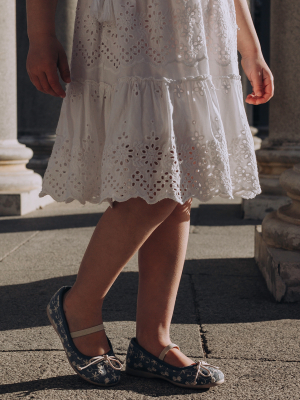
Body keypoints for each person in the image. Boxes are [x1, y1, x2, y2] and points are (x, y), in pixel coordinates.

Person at [26, 0, 274, 389]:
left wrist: (251, 45)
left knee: (179, 188)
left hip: (199, 21)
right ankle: (78, 306)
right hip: (135, 22)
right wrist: (40, 35)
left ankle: (153, 341)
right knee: (152, 185)